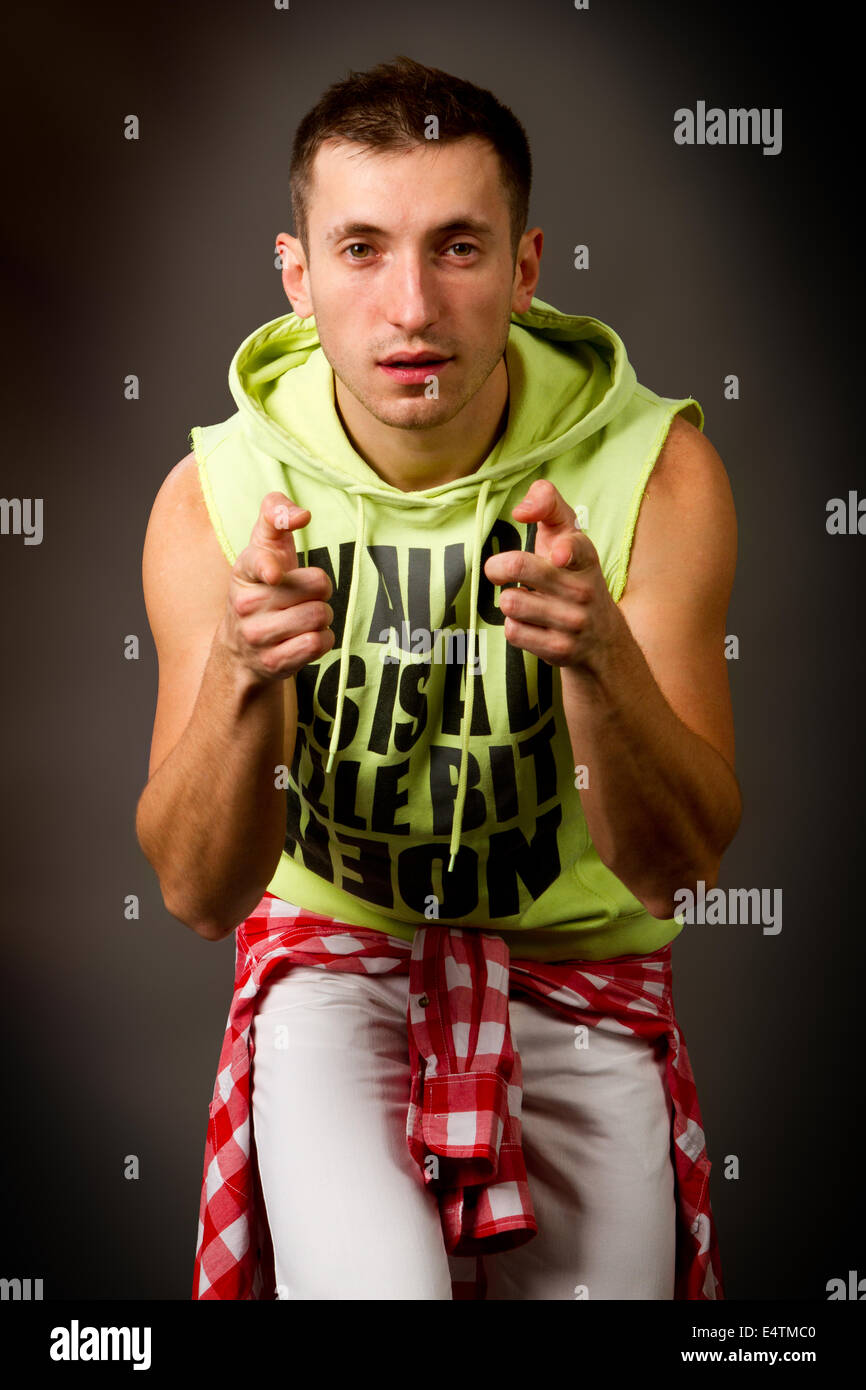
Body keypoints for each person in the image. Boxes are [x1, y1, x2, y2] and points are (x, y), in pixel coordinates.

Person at [135, 54, 741, 1301]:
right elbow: (199, 893)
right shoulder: (217, 497)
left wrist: (600, 658)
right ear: (296, 277)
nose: (409, 306)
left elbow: (676, 864)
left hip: (578, 974)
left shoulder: (653, 471)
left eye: (456, 248)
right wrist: (248, 674)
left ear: (523, 269)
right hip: (338, 960)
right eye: (360, 249)